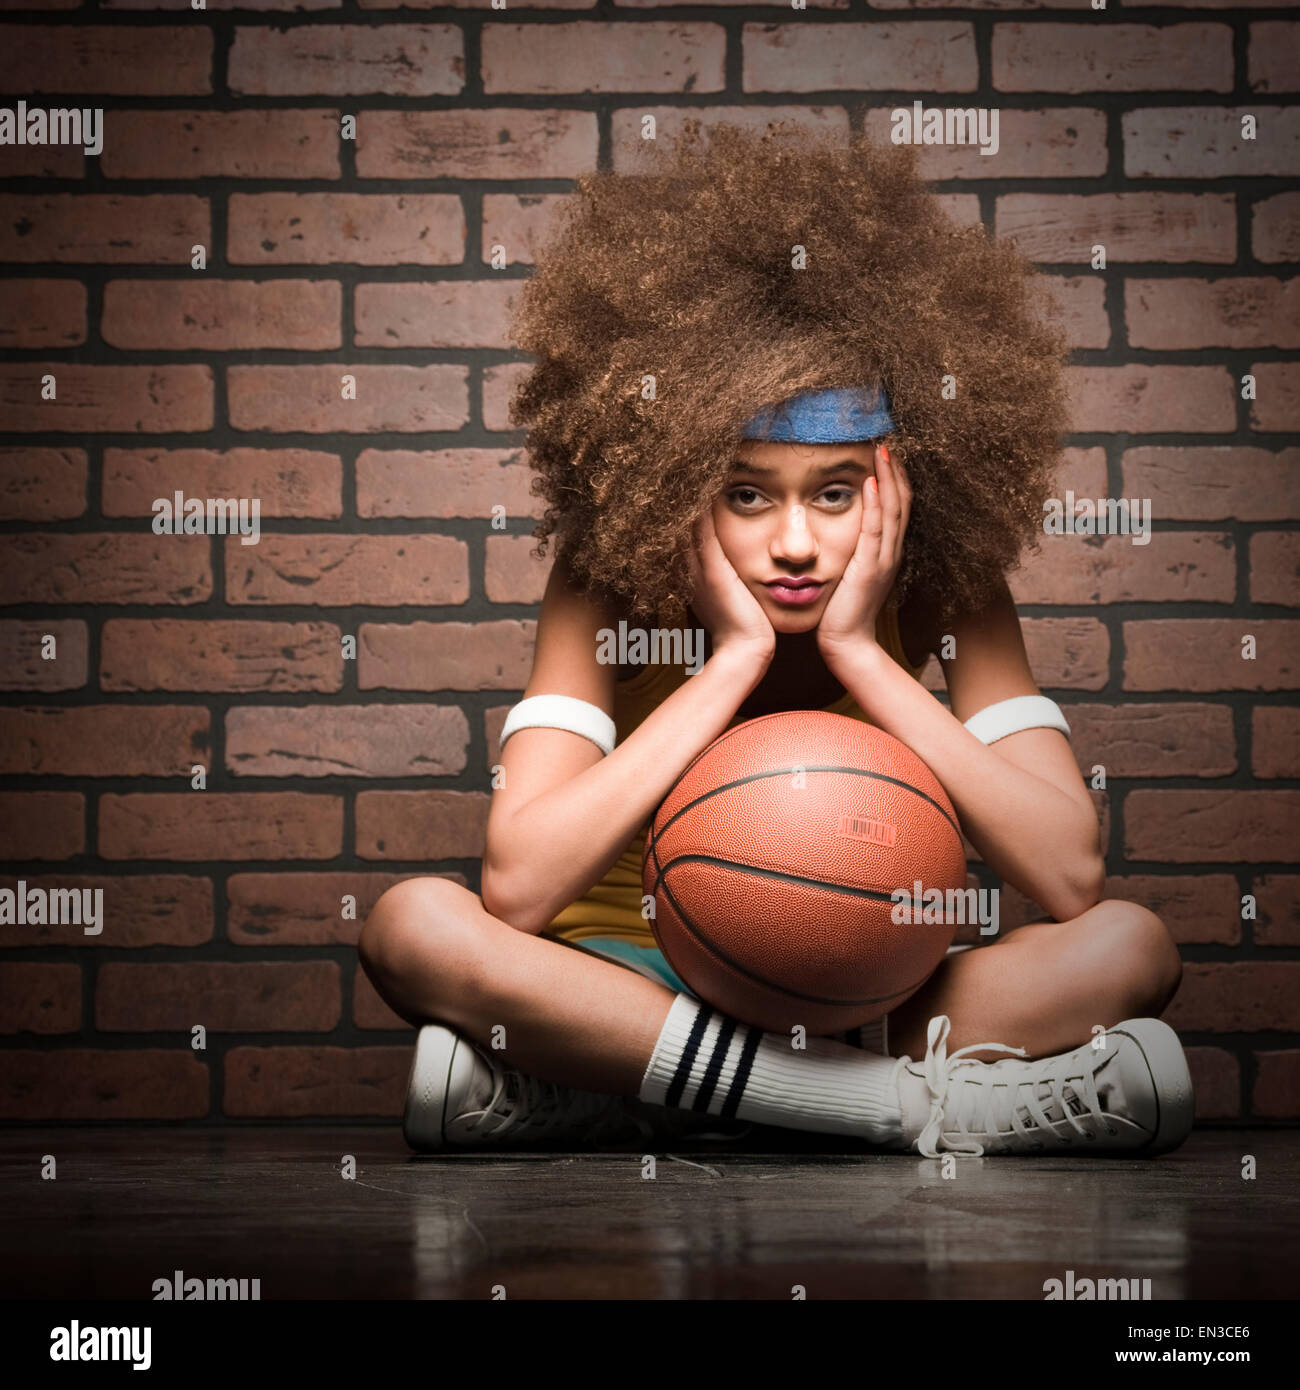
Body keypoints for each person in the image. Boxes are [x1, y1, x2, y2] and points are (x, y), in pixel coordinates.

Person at [358, 122, 1193, 1159]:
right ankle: (894, 1108)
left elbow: (1069, 877)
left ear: (897, 481)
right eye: (746, 493)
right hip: (631, 981)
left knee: (1129, 948)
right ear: (670, 479)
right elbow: (517, 888)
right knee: (411, 924)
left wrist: (860, 657)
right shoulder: (606, 584)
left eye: (835, 493)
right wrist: (735, 662)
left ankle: (613, 1092)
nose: (794, 542)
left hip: (865, 988)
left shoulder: (950, 585)